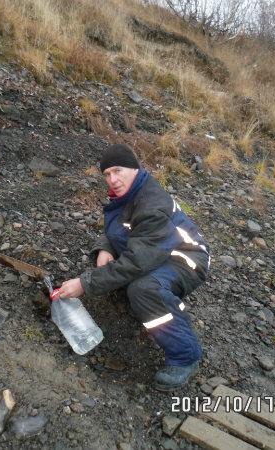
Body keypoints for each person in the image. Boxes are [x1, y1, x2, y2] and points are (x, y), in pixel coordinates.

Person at [57, 143, 210, 391]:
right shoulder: (128, 193)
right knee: (124, 277)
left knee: (144, 289)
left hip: (186, 258)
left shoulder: (152, 204)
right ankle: (145, 301)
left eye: (118, 171)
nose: (112, 180)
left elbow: (137, 261)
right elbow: (121, 230)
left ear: (134, 168)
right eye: (107, 174)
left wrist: (85, 284)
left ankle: (185, 355)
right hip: (157, 250)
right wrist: (105, 247)